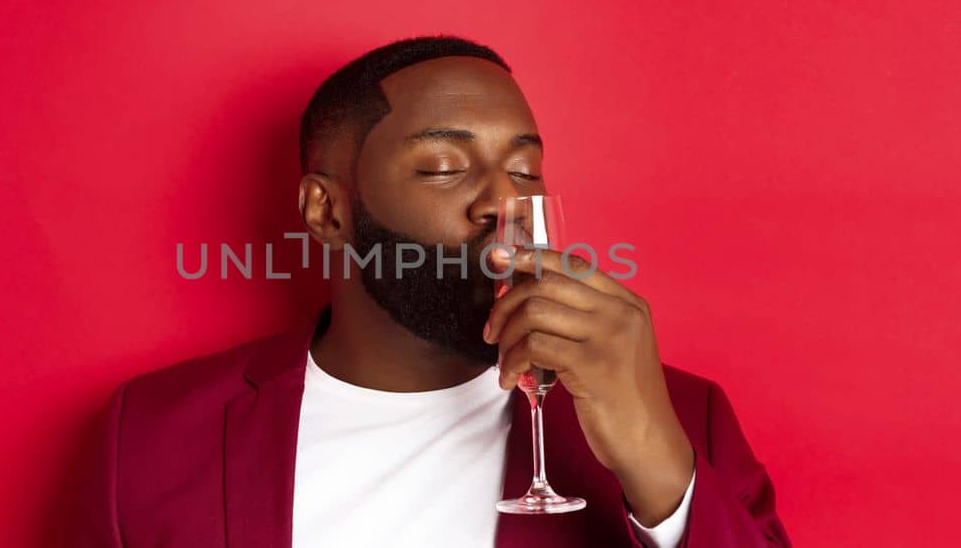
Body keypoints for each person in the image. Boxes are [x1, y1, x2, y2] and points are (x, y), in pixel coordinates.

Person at [66, 36, 791, 547]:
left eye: (527, 170)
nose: (501, 200)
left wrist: (658, 464)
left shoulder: (684, 418)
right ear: (328, 211)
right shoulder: (152, 434)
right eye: (444, 166)